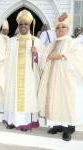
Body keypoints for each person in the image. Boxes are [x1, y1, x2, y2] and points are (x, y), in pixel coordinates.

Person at [38, 12, 83, 141]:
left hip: (66, 79)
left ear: (67, 29)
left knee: (66, 102)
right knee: (53, 100)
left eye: (63, 27)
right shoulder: (51, 44)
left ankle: (68, 130)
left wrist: (62, 56)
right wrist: (46, 58)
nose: (60, 29)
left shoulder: (73, 43)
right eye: (58, 27)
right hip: (51, 79)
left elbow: (78, 58)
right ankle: (56, 126)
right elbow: (42, 59)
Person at [3, 9, 45, 131]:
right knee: (13, 96)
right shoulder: (11, 41)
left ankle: (26, 122)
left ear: (30, 25)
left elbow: (43, 60)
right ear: (18, 25)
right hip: (13, 76)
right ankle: (12, 120)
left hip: (29, 77)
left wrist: (36, 54)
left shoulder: (36, 41)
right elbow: (5, 59)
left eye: (25, 24)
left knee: (28, 98)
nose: (23, 26)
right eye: (21, 24)